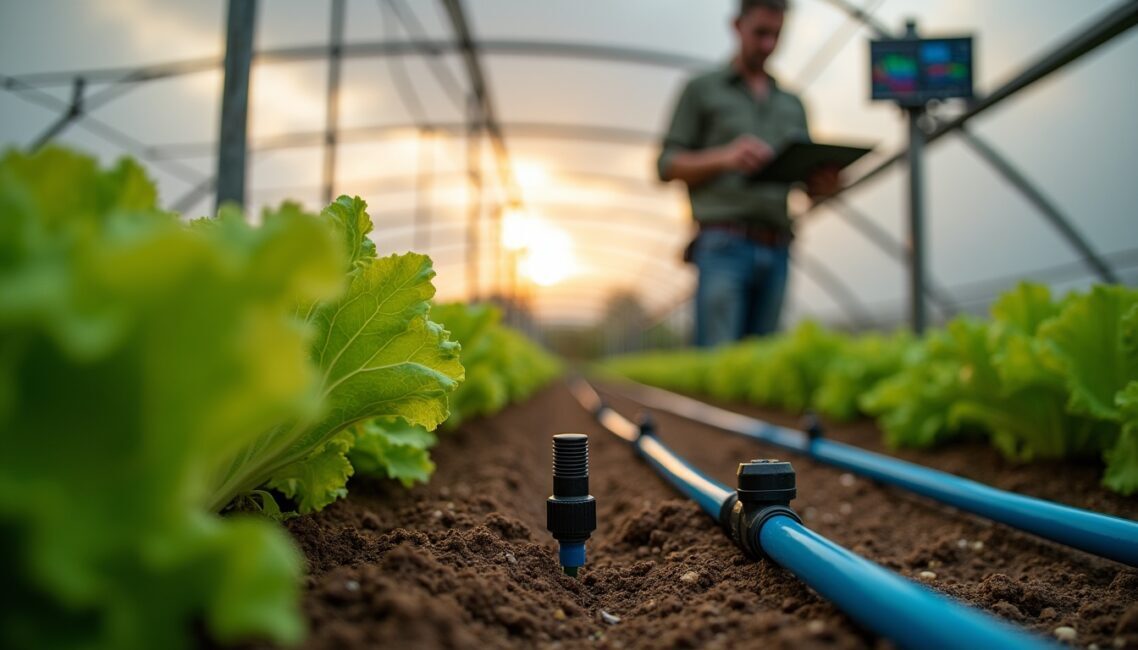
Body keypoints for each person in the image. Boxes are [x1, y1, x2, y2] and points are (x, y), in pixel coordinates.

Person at [657, 0, 840, 347]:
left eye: (776, 35)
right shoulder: (702, 90)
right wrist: (725, 157)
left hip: (777, 244)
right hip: (722, 243)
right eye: (760, 33)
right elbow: (666, 165)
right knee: (720, 359)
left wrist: (823, 184)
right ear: (737, 26)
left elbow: (807, 186)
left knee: (761, 364)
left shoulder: (792, 104)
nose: (768, 45)